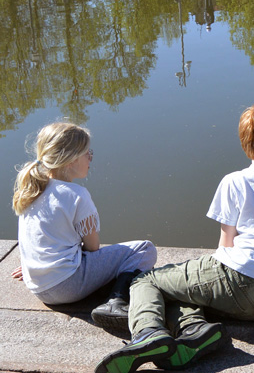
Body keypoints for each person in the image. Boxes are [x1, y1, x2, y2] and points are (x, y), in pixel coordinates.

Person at [94, 103, 254, 373]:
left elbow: (226, 245)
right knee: (177, 290)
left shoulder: (234, 181)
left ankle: (147, 332)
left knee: (146, 281)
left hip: (238, 276)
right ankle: (195, 329)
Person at [12, 123, 157, 316]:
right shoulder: (76, 194)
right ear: (71, 160)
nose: (90, 158)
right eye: (87, 153)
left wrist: (34, 266)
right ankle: (116, 300)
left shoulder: (31, 190)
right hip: (67, 287)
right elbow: (93, 248)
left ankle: (105, 285)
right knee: (145, 249)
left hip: (38, 287)